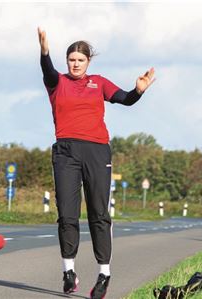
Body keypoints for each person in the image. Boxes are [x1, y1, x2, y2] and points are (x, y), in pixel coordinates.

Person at [37, 27, 155, 299]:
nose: (75, 64)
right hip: (66, 151)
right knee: (67, 214)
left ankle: (104, 273)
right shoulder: (57, 83)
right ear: (67, 61)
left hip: (97, 151)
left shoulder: (99, 82)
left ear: (88, 62)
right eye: (71, 60)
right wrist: (44, 51)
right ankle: (69, 272)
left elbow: (125, 99)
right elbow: (47, 69)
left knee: (98, 214)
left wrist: (138, 91)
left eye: (80, 60)